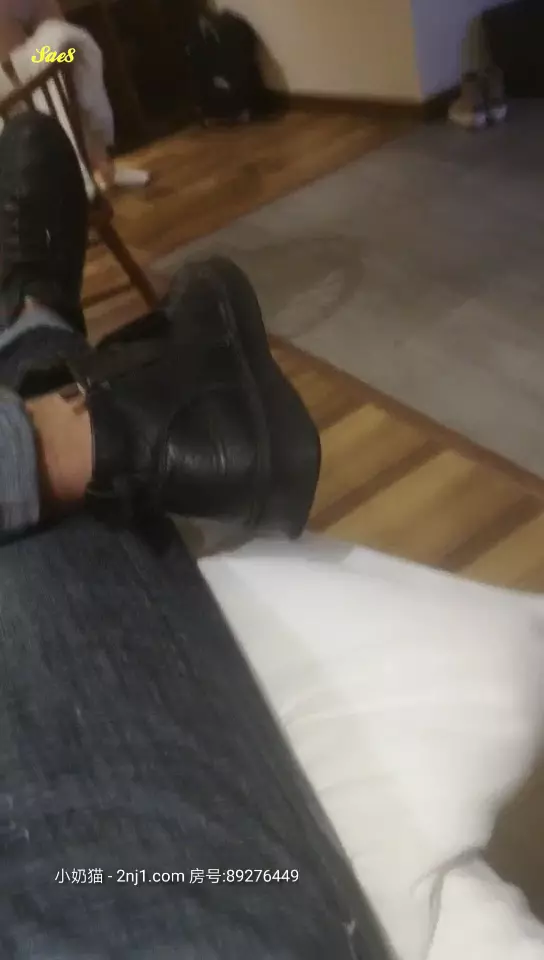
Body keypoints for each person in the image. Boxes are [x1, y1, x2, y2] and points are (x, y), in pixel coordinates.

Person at [0, 109, 390, 959]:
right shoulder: (45, 51)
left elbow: (56, 59)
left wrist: (45, 66)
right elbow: (50, 62)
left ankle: (30, 333)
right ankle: (61, 375)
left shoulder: (47, 47)